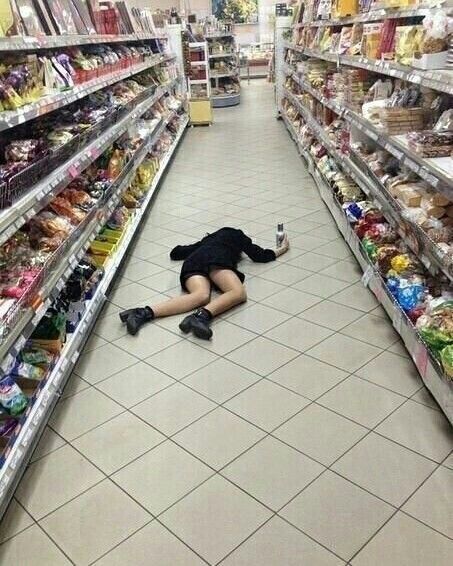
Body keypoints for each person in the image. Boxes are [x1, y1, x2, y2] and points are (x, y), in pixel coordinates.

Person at [119, 227, 290, 339]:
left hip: (194, 261)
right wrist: (282, 248)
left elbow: (176, 253)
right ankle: (201, 317)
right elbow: (259, 255)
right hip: (218, 260)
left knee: (200, 295)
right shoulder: (236, 234)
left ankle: (142, 313)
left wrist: (200, 243)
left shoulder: (204, 242)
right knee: (238, 292)